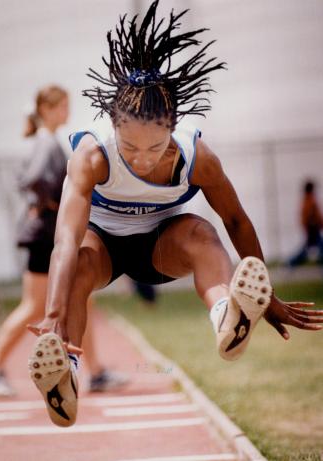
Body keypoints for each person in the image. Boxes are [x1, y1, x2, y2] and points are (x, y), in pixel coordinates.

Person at [27, 1, 323, 427]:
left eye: (155, 147)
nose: (143, 159)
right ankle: (65, 374)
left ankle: (227, 315)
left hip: (161, 246)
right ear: (114, 129)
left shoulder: (196, 156)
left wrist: (267, 294)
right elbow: (66, 241)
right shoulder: (92, 156)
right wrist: (52, 312)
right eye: (129, 148)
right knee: (78, 266)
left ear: (173, 128)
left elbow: (236, 220)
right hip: (104, 245)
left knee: (203, 232)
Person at [0, 85, 126, 397]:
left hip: (49, 233)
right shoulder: (46, 141)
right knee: (33, 307)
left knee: (85, 298)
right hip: (45, 236)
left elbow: (26, 180)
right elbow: (34, 180)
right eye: (64, 106)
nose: (68, 111)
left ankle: (95, 372)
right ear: (48, 110)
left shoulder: (46, 140)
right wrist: (50, 204)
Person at [288, 180, 323, 267]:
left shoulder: (307, 200)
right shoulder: (310, 201)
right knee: (306, 252)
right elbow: (312, 217)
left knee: (306, 251)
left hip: (312, 229)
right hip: (313, 230)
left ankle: (291, 263)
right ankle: (290, 263)